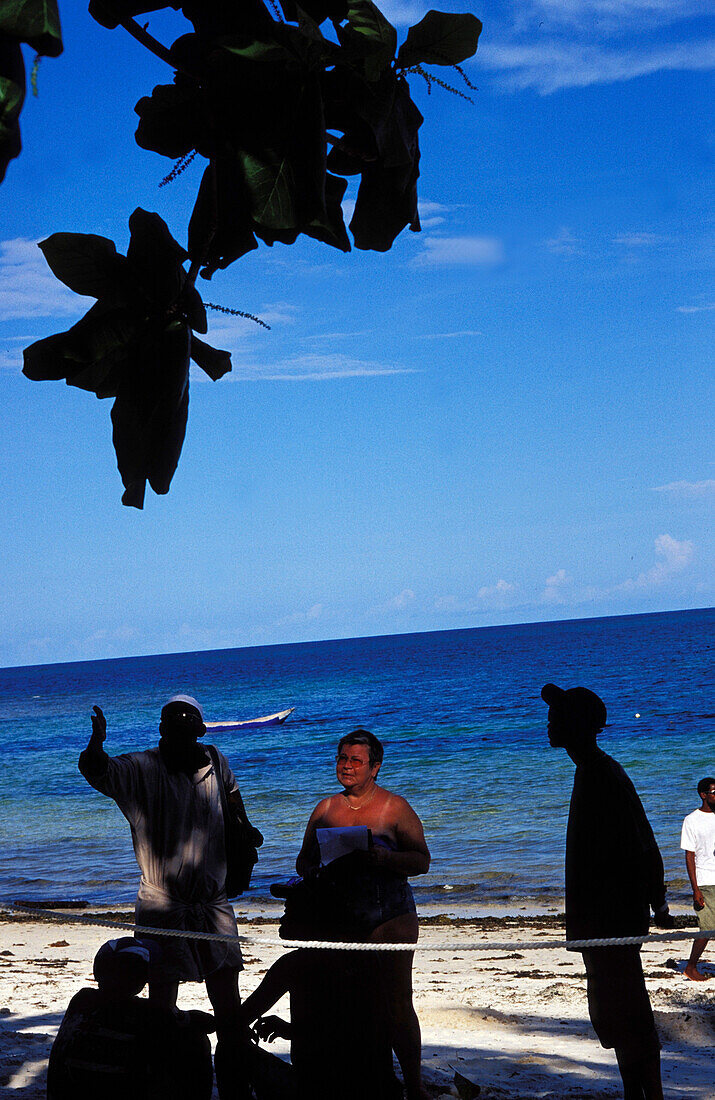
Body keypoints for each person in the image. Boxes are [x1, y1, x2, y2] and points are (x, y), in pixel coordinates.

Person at [78, 694, 255, 1100]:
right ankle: (162, 1086)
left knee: (228, 1002)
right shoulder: (142, 768)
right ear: (162, 734)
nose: (183, 742)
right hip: (162, 903)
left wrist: (243, 857)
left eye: (188, 734)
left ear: (199, 733)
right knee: (161, 1003)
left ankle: (235, 1087)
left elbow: (237, 815)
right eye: (174, 734)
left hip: (213, 902)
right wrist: (96, 745)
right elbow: (98, 770)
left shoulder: (215, 761)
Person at [541, 683, 674, 1100]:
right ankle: (636, 1093)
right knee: (611, 1013)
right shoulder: (590, 770)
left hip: (611, 919)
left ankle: (649, 1094)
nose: (549, 721)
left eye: (558, 714)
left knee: (628, 1011)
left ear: (576, 725)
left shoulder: (604, 773)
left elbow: (642, 840)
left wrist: (658, 902)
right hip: (597, 919)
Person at [296, 728, 430, 1100]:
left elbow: (422, 860)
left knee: (398, 1002)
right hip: (342, 918)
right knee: (353, 1002)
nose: (347, 766)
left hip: (391, 917)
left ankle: (415, 1085)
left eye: (356, 760)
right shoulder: (325, 808)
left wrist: (385, 858)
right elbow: (304, 860)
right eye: (342, 758)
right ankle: (371, 1080)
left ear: (375, 768)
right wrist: (316, 870)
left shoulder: (394, 807)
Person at [47, 937, 215, 1100]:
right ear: (141, 980)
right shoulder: (150, 1012)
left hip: (68, 1091)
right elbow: (208, 1023)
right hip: (116, 1089)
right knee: (195, 1040)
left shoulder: (82, 999)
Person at [240, 948, 402, 1100]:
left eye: (290, 916)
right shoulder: (368, 958)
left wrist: (291, 1031)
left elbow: (241, 1017)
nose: (282, 921)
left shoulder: (294, 963)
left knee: (233, 1051)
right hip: (375, 1088)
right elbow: (358, 1031)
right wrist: (290, 1031)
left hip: (316, 1088)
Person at [680, 776, 715, 980]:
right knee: (708, 927)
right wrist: (695, 889)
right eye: (714, 792)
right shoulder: (691, 820)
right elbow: (689, 856)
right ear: (704, 795)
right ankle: (691, 967)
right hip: (706, 880)